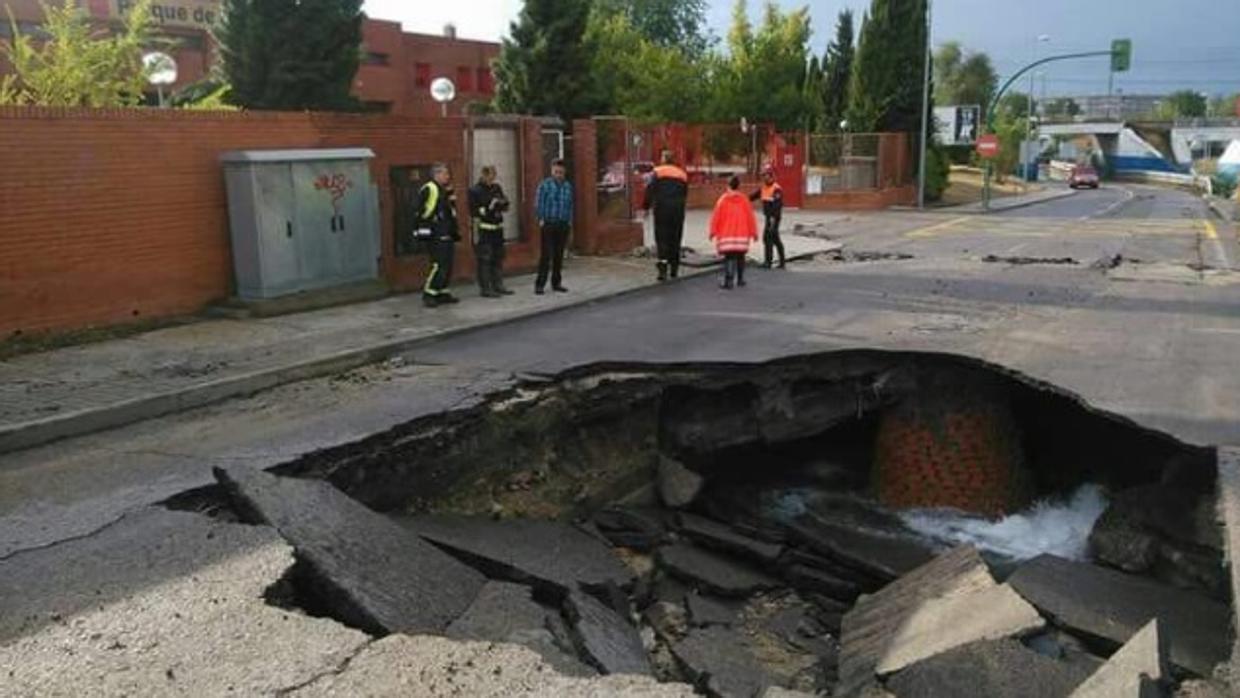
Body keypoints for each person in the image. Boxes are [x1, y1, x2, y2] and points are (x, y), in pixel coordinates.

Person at [413, 163, 460, 308]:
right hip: (436, 234)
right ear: (437, 174)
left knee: (448, 265)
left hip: (446, 233)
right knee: (438, 265)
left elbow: (449, 213)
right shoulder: (429, 188)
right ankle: (429, 294)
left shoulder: (444, 190)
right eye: (445, 174)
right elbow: (420, 211)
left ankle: (442, 292)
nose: (448, 176)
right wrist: (428, 227)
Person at [642, 151, 689, 281]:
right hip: (678, 210)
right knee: (675, 238)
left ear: (663, 159)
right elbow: (685, 193)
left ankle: (663, 270)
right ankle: (674, 269)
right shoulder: (682, 174)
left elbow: (649, 190)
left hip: (662, 209)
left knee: (662, 238)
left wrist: (646, 208)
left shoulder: (657, 172)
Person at [468, 165, 513, 298]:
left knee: (498, 258)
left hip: (498, 230)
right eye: (490, 176)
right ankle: (486, 288)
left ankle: (498, 285)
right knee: (485, 260)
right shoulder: (475, 191)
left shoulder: (496, 188)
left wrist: (502, 204)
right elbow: (475, 211)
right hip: (484, 231)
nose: (492, 179)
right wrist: (490, 207)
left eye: (494, 176)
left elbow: (505, 203)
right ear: (483, 175)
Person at [710, 176, 758, 290]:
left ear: (728, 186)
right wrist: (754, 232)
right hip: (742, 236)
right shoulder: (744, 200)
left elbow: (716, 217)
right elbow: (750, 217)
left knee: (729, 257)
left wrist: (712, 231)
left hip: (727, 236)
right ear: (738, 186)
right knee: (741, 256)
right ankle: (740, 279)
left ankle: (729, 281)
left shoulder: (723, 200)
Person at [534, 159, 573, 294]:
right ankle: (540, 285)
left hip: (562, 224)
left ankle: (556, 283)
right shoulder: (545, 185)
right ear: (552, 171)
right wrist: (541, 219)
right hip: (549, 223)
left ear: (564, 172)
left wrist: (569, 221)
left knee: (559, 255)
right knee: (546, 255)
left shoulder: (567, 186)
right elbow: (539, 203)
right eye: (556, 172)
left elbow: (570, 205)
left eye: (561, 172)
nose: (558, 174)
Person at [750, 165, 786, 269]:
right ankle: (781, 262)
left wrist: (773, 219)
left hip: (774, 217)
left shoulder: (776, 189)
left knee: (768, 238)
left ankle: (768, 262)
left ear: (770, 176)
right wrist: (741, 199)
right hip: (768, 217)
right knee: (774, 239)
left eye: (765, 175)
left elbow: (777, 206)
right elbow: (752, 197)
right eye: (763, 176)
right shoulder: (763, 188)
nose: (763, 178)